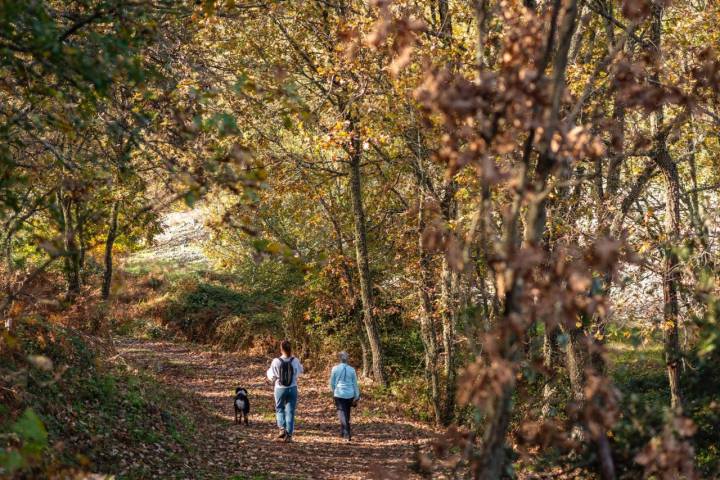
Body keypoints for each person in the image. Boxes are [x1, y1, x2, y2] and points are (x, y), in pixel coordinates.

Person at [266, 339, 303, 442]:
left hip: (280, 388)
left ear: (281, 349)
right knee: (290, 411)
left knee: (279, 408)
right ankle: (289, 435)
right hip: (293, 388)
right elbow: (300, 371)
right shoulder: (295, 360)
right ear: (291, 349)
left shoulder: (276, 361)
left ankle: (282, 428)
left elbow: (272, 376)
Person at [329, 351, 360, 441]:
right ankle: (343, 432)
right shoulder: (352, 370)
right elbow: (355, 384)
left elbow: (332, 383)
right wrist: (357, 395)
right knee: (346, 413)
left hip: (339, 393)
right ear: (347, 359)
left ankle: (347, 433)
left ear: (339, 358)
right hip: (350, 394)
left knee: (342, 414)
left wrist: (333, 391)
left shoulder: (335, 369)